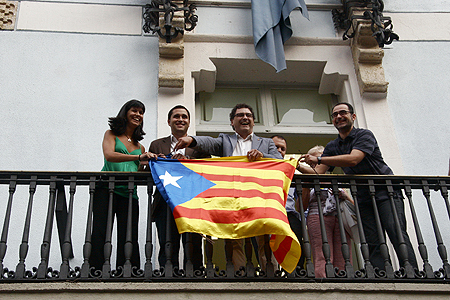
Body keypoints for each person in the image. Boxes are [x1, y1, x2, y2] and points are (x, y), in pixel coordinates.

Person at [301, 102, 418, 270]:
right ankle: (382, 275)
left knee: (396, 232)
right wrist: (295, 167)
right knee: (372, 239)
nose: (338, 117)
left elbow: (354, 158)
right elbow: (318, 173)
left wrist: (319, 159)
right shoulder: (333, 146)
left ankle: (411, 273)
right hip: (362, 195)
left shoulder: (364, 135)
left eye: (343, 113)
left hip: (386, 192)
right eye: (335, 115)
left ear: (353, 116)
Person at [174, 103, 282, 271]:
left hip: (258, 195)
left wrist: (262, 156)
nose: (245, 117)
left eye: (248, 115)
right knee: (234, 237)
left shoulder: (266, 142)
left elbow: (279, 162)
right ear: (232, 122)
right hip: (233, 196)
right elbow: (209, 143)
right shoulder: (226, 140)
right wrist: (191, 140)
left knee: (264, 236)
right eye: (240, 115)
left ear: (253, 121)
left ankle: (272, 274)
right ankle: (239, 273)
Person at [90, 99, 157, 271]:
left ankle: (128, 270)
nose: (138, 115)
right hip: (106, 188)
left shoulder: (140, 146)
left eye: (141, 112)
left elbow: (137, 171)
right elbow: (109, 155)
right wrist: (138, 158)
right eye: (134, 110)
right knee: (100, 231)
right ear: (125, 113)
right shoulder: (111, 134)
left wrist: (155, 163)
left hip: (129, 192)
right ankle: (95, 271)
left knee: (129, 234)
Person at [149, 105, 209, 271]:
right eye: (176, 116)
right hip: (165, 202)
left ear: (189, 122)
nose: (180, 119)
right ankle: (168, 278)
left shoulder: (199, 145)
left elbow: (208, 169)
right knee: (167, 244)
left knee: (193, 245)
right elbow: (146, 170)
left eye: (184, 117)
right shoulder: (156, 144)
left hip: (192, 201)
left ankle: (195, 279)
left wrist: (187, 160)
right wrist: (158, 161)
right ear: (169, 121)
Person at [302, 145, 353, 278]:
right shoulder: (306, 179)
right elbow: (301, 207)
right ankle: (324, 285)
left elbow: (352, 206)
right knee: (323, 255)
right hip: (317, 217)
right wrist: (306, 187)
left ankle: (344, 285)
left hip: (340, 219)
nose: (321, 161)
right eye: (317, 158)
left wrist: (345, 196)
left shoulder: (335, 178)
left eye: (323, 158)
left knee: (344, 256)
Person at [271, 135, 305, 268]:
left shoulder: (291, 170)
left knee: (296, 244)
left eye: (283, 148)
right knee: (267, 249)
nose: (279, 150)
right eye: (276, 147)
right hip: (268, 214)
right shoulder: (260, 167)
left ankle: (297, 275)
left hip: (289, 214)